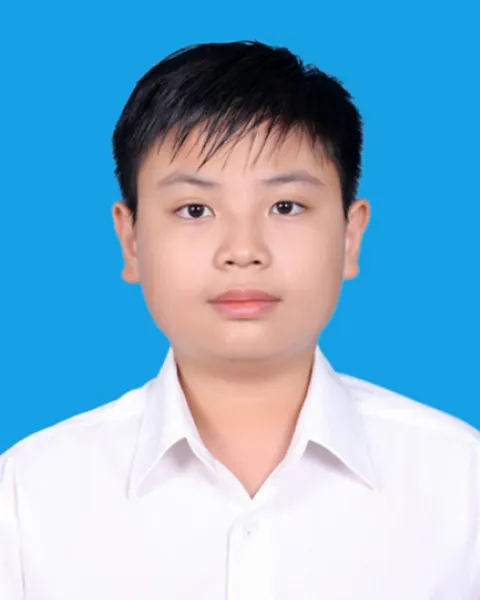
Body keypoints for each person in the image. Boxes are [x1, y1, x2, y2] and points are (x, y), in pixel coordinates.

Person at [1, 40, 479, 600]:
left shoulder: (461, 484)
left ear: (350, 236)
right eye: (195, 210)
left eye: (285, 207)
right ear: (131, 240)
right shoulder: (28, 497)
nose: (244, 250)